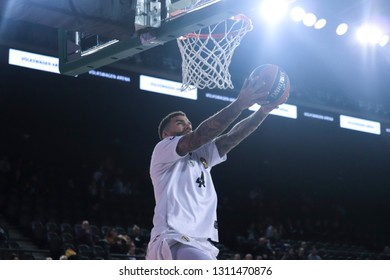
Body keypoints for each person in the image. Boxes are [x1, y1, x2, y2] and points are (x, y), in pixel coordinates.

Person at [145, 76, 288, 260]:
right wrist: (239, 104)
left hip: (201, 243)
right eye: (180, 122)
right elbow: (201, 135)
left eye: (188, 121)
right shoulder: (163, 149)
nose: (187, 124)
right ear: (166, 134)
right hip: (173, 238)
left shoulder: (201, 154)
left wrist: (262, 112)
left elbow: (231, 137)